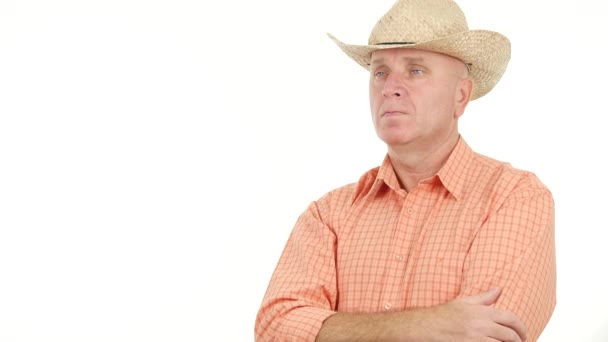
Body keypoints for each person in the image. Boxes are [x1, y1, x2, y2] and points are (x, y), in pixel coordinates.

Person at [255, 0, 556, 341]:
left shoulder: (513, 198)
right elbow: (276, 327)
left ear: (461, 96)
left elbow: (490, 337)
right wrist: (425, 325)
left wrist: (336, 330)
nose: (390, 87)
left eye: (416, 70)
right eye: (380, 71)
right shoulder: (328, 215)